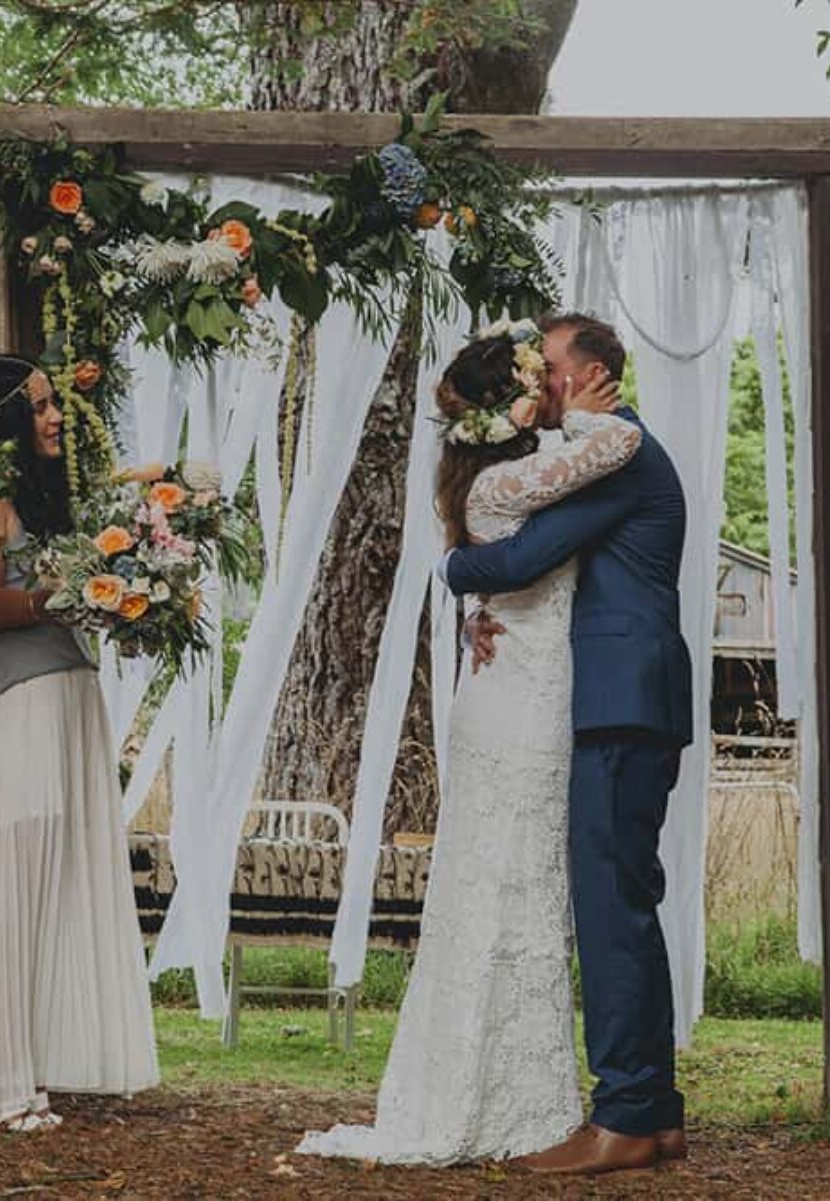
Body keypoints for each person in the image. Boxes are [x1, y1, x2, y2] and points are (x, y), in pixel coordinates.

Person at [298, 319, 639, 1165]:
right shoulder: (508, 483)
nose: (549, 390)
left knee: (514, 889)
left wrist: (463, 589)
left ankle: (511, 1086)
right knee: (506, 891)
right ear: (504, 407)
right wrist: (593, 408)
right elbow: (621, 441)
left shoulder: (493, 482)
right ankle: (497, 1098)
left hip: (516, 689)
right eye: (534, 380)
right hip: (522, 705)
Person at [451, 312, 692, 1175]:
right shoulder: (599, 451)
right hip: (620, 698)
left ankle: (625, 1113)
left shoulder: (618, 449)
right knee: (623, 900)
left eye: (544, 366)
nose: (534, 383)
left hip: (622, 699)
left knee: (609, 907)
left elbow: (521, 559)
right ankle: (653, 1110)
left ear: (588, 373)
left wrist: (450, 571)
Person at [0, 355, 158, 1131]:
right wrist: (82, 589)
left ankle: (33, 1060)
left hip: (64, 702)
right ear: (5, 422)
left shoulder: (36, 501)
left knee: (49, 889)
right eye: (43, 406)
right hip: (14, 709)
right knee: (9, 889)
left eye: (55, 403)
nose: (57, 417)